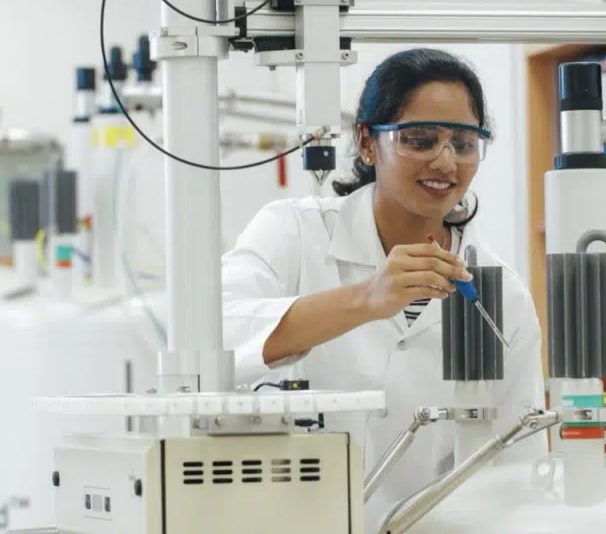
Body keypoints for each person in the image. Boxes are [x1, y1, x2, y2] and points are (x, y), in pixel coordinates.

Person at [221, 48, 547, 529]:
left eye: (464, 143)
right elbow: (214, 338)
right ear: (368, 142)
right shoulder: (294, 233)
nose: (445, 161)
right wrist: (366, 298)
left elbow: (518, 471)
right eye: (420, 139)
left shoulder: (500, 295)